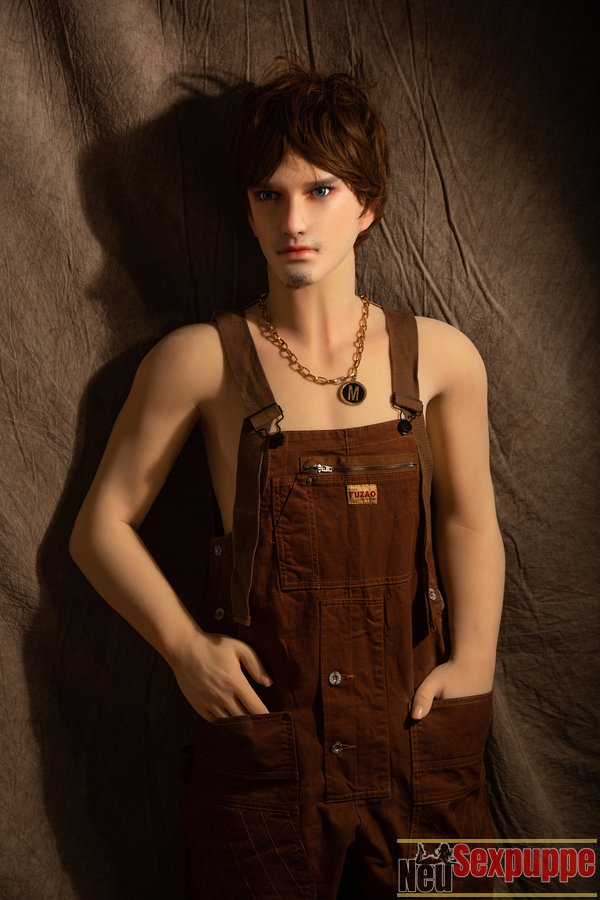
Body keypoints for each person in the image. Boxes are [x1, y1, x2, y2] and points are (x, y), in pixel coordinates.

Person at [70, 59, 504, 899]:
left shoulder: (443, 358)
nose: (293, 220)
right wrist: (184, 649)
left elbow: (469, 521)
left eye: (321, 190)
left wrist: (476, 663)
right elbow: (100, 528)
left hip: (418, 741)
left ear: (368, 205)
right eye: (269, 194)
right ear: (246, 208)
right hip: (269, 753)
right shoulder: (200, 361)